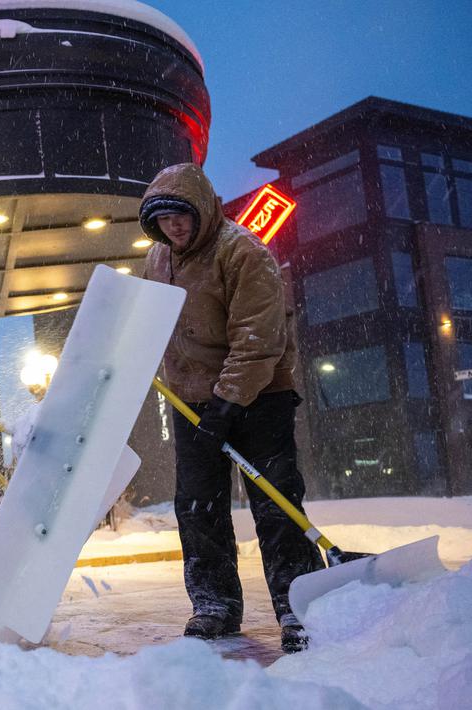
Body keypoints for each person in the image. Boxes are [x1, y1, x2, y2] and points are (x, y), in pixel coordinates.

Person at [139, 162, 323, 654]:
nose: (174, 227)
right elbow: (149, 320)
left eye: (182, 216)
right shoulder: (157, 260)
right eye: (163, 220)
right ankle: (214, 604)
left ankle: (297, 605)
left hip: (259, 396)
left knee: (275, 501)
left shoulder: (242, 252)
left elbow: (260, 340)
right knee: (197, 506)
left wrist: (227, 404)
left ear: (201, 209)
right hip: (193, 401)